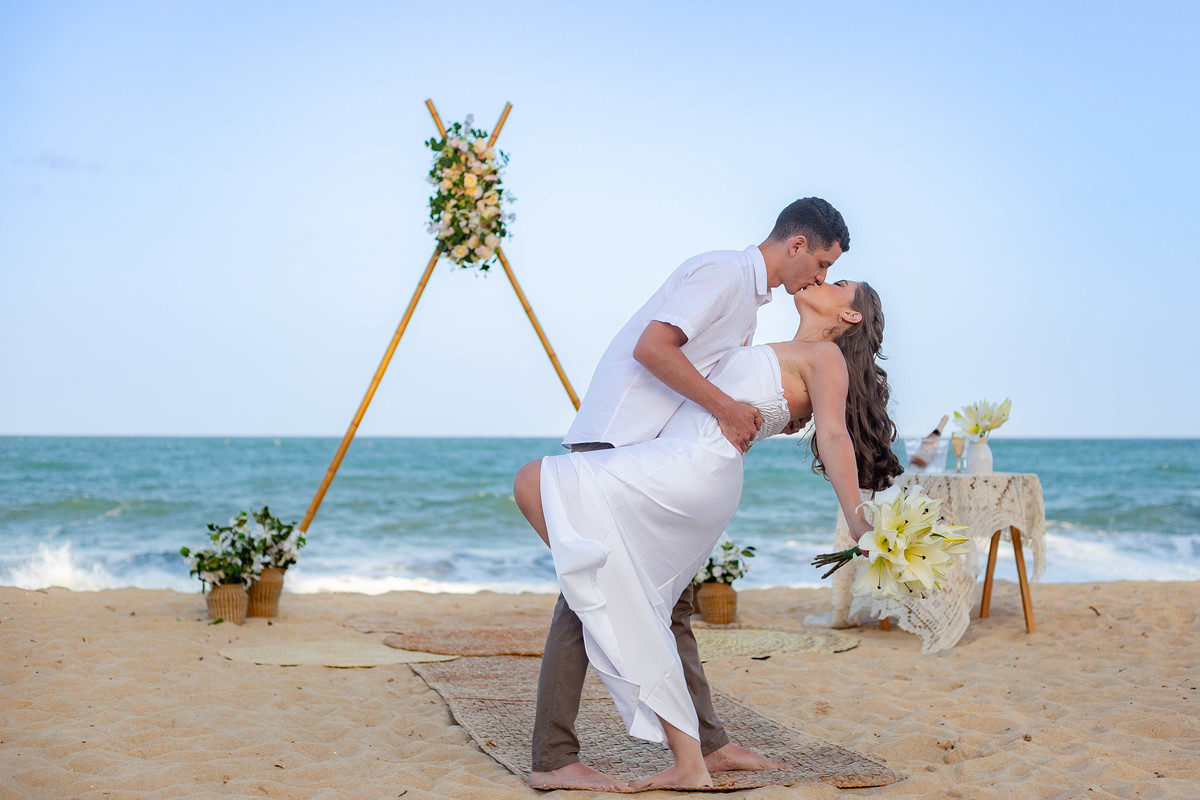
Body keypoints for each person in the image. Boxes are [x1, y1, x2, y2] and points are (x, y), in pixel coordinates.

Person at [514, 198, 851, 791]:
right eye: (821, 263)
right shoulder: (723, 274)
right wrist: (725, 409)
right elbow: (653, 349)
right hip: (621, 441)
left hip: (657, 451)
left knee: (669, 606)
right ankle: (553, 758)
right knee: (588, 593)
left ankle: (709, 745)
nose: (820, 278)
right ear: (797, 245)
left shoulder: (750, 306)